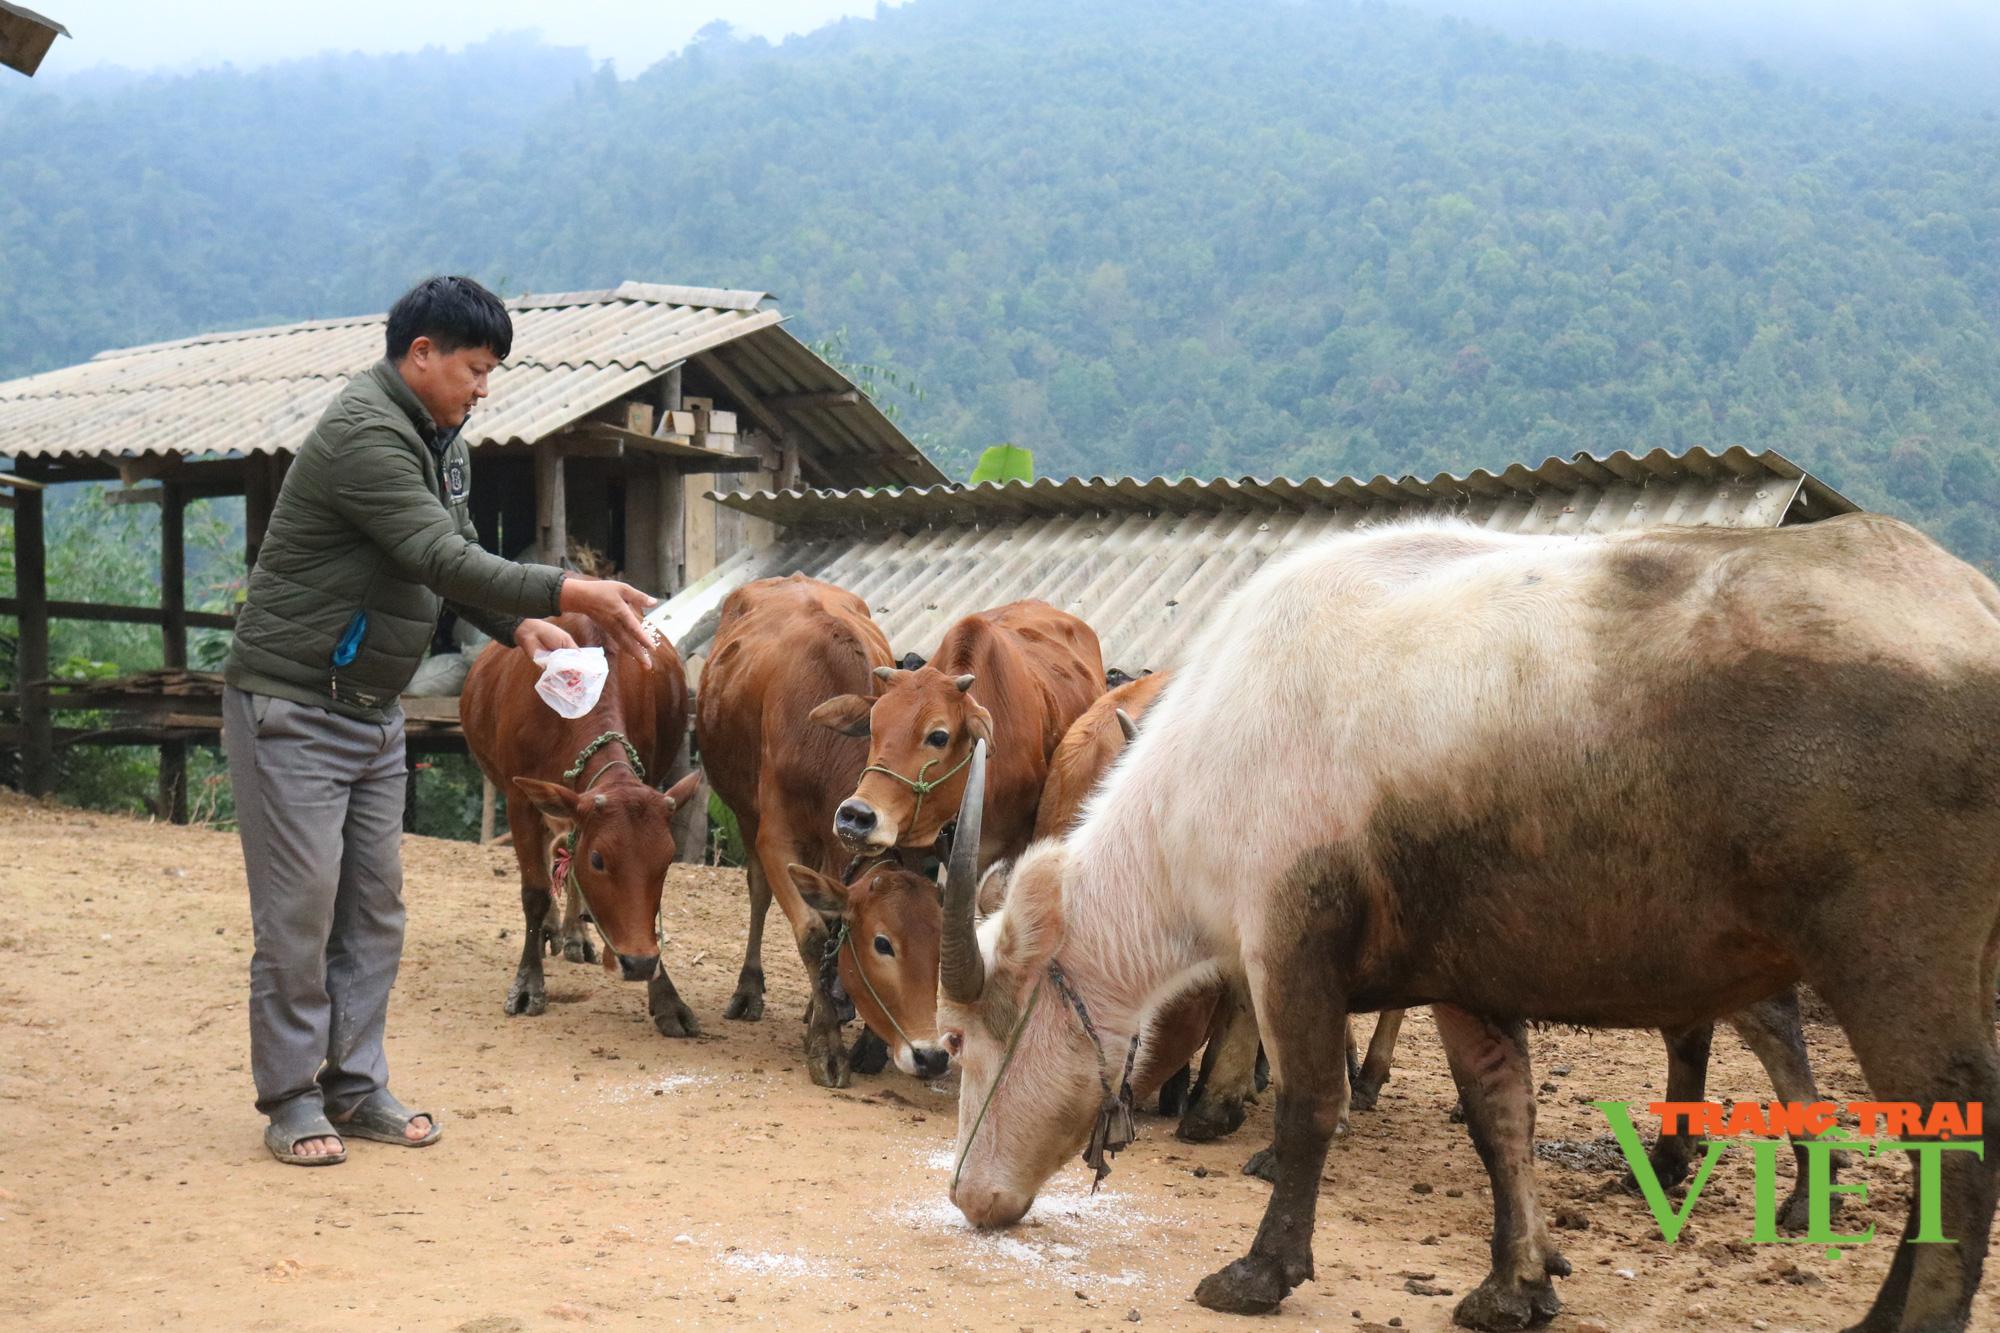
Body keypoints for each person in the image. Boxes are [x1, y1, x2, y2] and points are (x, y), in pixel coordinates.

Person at [221, 275, 657, 1165]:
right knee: (300, 914)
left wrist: (516, 623)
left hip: (369, 710)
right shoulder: (364, 434)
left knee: (375, 909)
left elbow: (451, 566)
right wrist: (570, 589)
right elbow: (433, 549)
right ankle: (293, 1097)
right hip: (292, 705)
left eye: (490, 371)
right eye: (474, 368)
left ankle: (356, 1083)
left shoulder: (442, 439)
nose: (482, 388)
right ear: (420, 353)